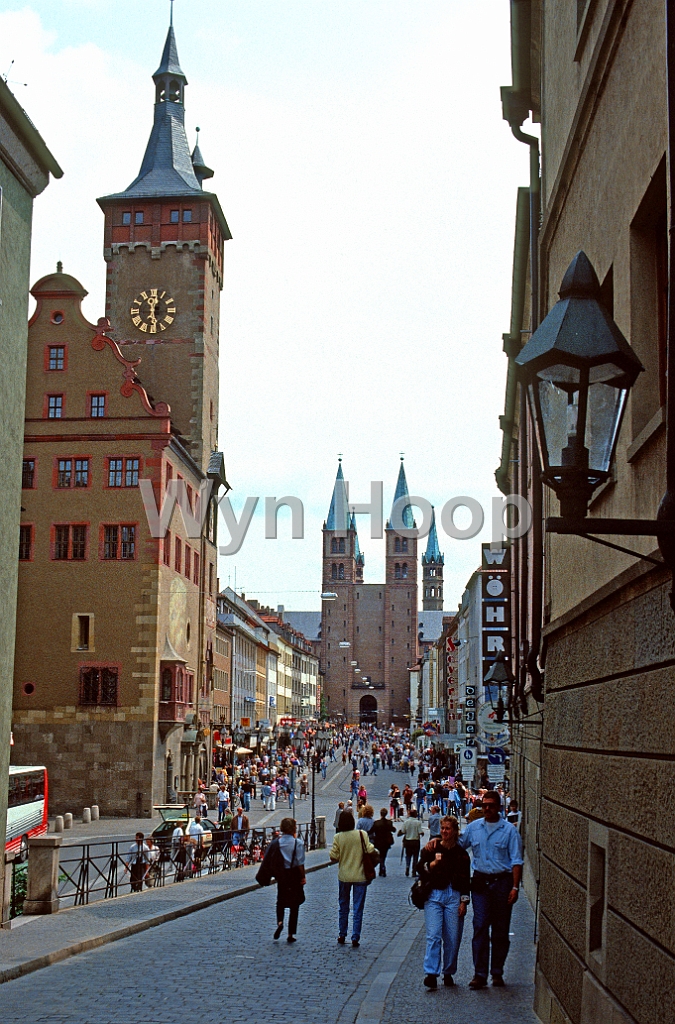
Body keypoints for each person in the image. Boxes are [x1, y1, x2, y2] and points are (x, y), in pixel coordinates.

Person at [459, 790, 523, 989]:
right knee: (479, 927)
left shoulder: (509, 831)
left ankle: (497, 972)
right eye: (484, 805)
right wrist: (439, 841)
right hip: (480, 883)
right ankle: (479, 974)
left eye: (491, 805)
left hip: (502, 883)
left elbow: (516, 861)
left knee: (500, 931)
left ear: (499, 807)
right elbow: (458, 846)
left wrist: (514, 887)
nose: (487, 808)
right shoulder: (473, 828)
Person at [418, 816, 471, 990]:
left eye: (448, 829)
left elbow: (465, 881)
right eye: (442, 828)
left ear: (455, 831)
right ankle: (431, 973)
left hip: (453, 896)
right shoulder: (431, 848)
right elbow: (419, 868)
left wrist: (464, 901)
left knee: (452, 937)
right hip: (434, 894)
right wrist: (431, 865)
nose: (444, 832)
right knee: (433, 935)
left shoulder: (461, 854)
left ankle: (448, 971)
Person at [329, 810, 378, 947]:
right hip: (360, 875)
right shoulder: (361, 834)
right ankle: (355, 936)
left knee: (343, 906)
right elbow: (369, 849)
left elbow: (334, 856)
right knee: (358, 908)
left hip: (344, 876)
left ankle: (342, 933)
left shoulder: (338, 837)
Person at [257, 817, 306, 943]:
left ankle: (280, 922)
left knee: (281, 900)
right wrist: (303, 876)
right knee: (294, 905)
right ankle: (290, 934)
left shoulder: (277, 842)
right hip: (294, 873)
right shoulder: (298, 843)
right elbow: (300, 863)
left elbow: (271, 858)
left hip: (282, 874)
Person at [398, 808, 425, 877]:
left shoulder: (406, 822)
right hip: (415, 841)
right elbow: (420, 832)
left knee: (408, 855)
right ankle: (414, 871)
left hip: (408, 841)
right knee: (415, 857)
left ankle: (407, 866)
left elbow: (403, 831)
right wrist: (422, 833)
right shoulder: (418, 822)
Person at [371, 807, 396, 877]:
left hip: (378, 841)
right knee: (383, 855)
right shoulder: (389, 822)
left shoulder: (376, 823)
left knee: (379, 855)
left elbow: (371, 831)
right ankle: (382, 867)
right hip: (386, 842)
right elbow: (393, 830)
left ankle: (381, 868)